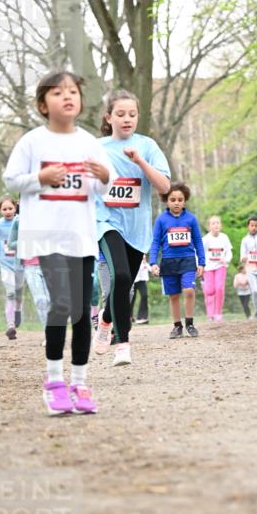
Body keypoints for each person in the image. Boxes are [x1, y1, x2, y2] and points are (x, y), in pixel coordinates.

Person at [3, 70, 113, 415]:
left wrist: (105, 177)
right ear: (42, 104)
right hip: (45, 236)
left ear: (80, 101)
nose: (67, 97)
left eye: (73, 92)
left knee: (82, 311)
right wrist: (41, 177)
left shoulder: (88, 142)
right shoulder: (33, 142)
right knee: (62, 305)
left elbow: (104, 185)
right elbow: (12, 179)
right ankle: (53, 382)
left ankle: (79, 384)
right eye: (57, 92)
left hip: (80, 237)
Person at [93, 89, 170, 365]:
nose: (127, 119)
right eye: (121, 114)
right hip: (106, 222)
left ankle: (105, 319)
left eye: (132, 114)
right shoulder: (97, 147)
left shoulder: (147, 146)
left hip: (138, 230)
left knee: (124, 285)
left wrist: (139, 161)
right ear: (109, 117)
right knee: (122, 277)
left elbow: (164, 187)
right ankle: (123, 344)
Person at [149, 182, 205, 338]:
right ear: (167, 200)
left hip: (187, 260)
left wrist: (202, 262)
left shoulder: (191, 219)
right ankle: (177, 326)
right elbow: (155, 242)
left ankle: (190, 323)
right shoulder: (161, 220)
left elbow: (198, 241)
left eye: (180, 199)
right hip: (168, 262)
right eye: (173, 199)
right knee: (173, 295)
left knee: (188, 290)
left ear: (185, 200)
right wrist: (153, 262)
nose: (176, 203)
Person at [0, 195, 25, 340]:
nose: (8, 211)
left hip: (21, 265)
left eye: (10, 208)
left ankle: (18, 311)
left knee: (18, 294)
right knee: (10, 292)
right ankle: (10, 326)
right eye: (4, 209)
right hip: (6, 265)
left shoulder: (22, 221)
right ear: (0, 210)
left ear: (15, 208)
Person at [8, 213, 50, 330]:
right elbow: (11, 244)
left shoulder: (49, 216)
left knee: (52, 302)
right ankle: (49, 333)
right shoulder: (18, 220)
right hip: (30, 267)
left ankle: (55, 331)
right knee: (40, 301)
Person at [202, 215, 233, 323]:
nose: (216, 225)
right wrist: (200, 265)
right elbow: (199, 253)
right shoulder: (205, 239)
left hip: (220, 266)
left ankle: (218, 313)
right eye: (213, 223)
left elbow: (229, 252)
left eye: (218, 223)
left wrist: (226, 259)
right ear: (209, 226)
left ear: (221, 225)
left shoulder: (224, 237)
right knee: (209, 290)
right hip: (208, 268)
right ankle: (210, 314)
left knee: (219, 288)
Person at [239, 216, 257, 319]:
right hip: (250, 269)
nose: (254, 228)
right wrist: (245, 258)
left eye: (256, 226)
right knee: (255, 291)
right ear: (248, 226)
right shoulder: (245, 240)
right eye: (251, 225)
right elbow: (242, 255)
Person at [131, 256, 151, 324]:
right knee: (131, 298)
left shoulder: (144, 263)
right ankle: (129, 316)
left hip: (142, 281)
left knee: (144, 295)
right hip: (133, 280)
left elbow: (151, 269)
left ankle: (142, 317)